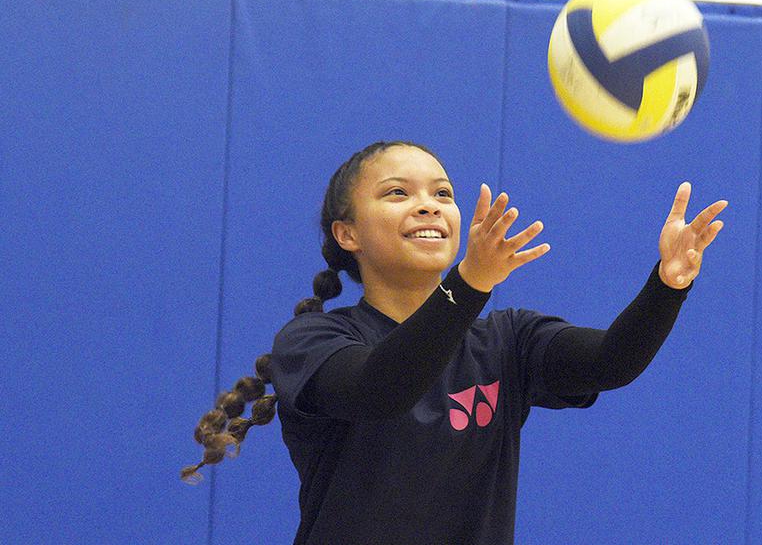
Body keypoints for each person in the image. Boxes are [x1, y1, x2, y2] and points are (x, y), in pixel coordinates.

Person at [182, 141, 728, 544]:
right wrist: (468, 284)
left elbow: (611, 362)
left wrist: (668, 284)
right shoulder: (312, 341)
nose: (429, 205)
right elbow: (382, 387)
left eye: (442, 193)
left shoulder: (508, 340)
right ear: (348, 234)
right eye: (398, 193)